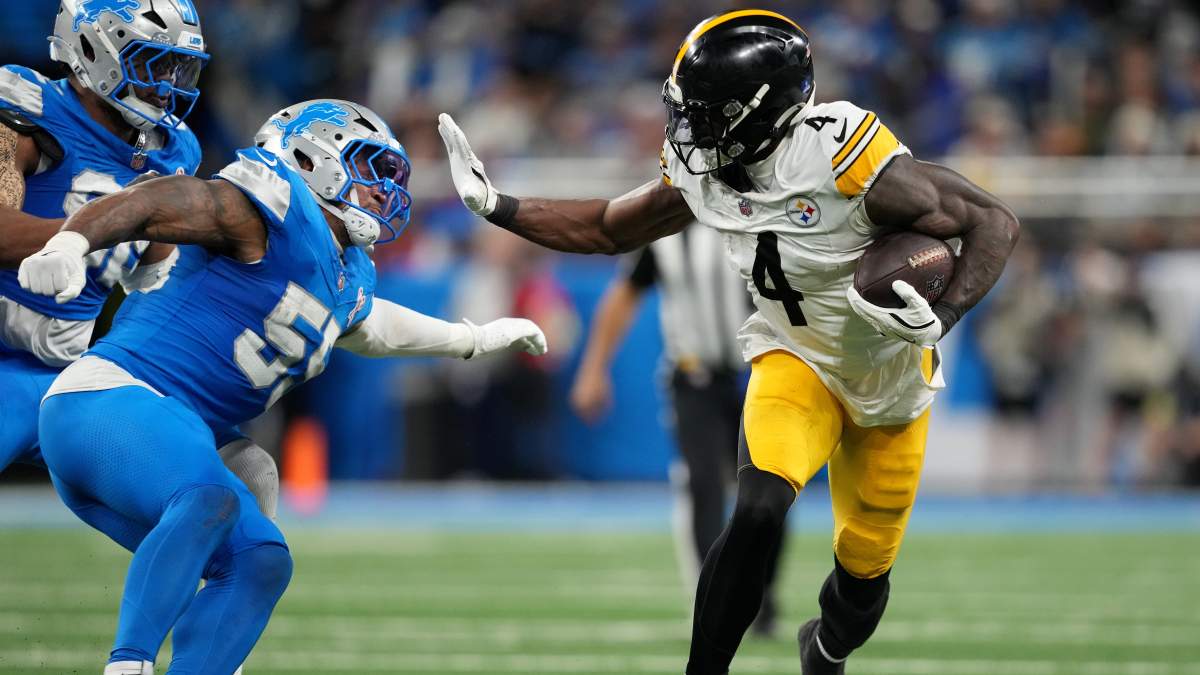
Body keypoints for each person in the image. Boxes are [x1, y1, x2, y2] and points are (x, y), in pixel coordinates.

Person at [437, 9, 1019, 674]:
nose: (690, 129)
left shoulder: (839, 157)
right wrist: (499, 207)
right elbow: (608, 228)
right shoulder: (703, 172)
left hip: (890, 382)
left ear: (761, 113)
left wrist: (944, 315)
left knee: (861, 583)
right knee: (758, 509)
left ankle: (824, 648)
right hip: (795, 358)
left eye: (709, 113)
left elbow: (993, 222)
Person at [19, 98, 548, 673]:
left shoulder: (347, 270)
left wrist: (473, 338)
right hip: (107, 402)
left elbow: (373, 327)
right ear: (311, 157)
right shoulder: (270, 206)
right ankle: (129, 664)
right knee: (212, 496)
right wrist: (71, 242)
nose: (382, 191)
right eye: (368, 167)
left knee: (260, 559)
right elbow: (158, 201)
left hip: (174, 432)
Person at [0, 0, 280, 519]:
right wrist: (93, 234)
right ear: (92, 51)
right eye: (152, 62)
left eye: (177, 65)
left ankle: (222, 571)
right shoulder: (25, 108)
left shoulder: (173, 150)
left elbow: (153, 279)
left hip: (71, 372)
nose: (167, 83)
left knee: (246, 468)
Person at [569, 224, 784, 635]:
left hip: (762, 374)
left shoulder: (759, 216)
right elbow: (626, 291)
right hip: (693, 377)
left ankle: (761, 590)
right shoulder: (665, 226)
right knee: (703, 483)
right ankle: (718, 598)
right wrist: (594, 368)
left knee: (768, 490)